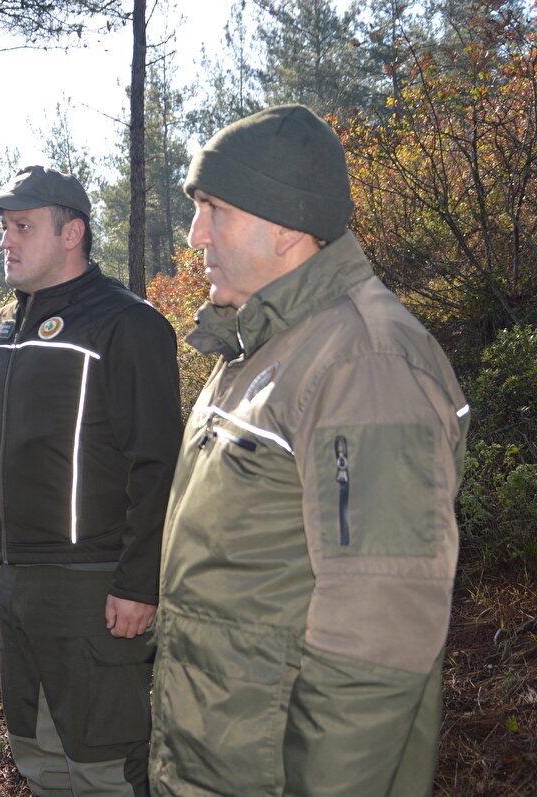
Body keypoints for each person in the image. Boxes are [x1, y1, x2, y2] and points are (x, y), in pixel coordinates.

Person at [149, 105, 469, 796]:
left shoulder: (364, 364)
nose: (196, 234)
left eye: (215, 209)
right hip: (220, 758)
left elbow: (378, 630)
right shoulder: (260, 344)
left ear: (288, 226)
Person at [0, 165, 182, 797]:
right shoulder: (0, 330)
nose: (6, 240)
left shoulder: (126, 324)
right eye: (4, 228)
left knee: (105, 765)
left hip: (92, 585)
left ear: (72, 233)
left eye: (22, 226)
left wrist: (138, 582)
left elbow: (157, 463)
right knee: (38, 755)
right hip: (13, 581)